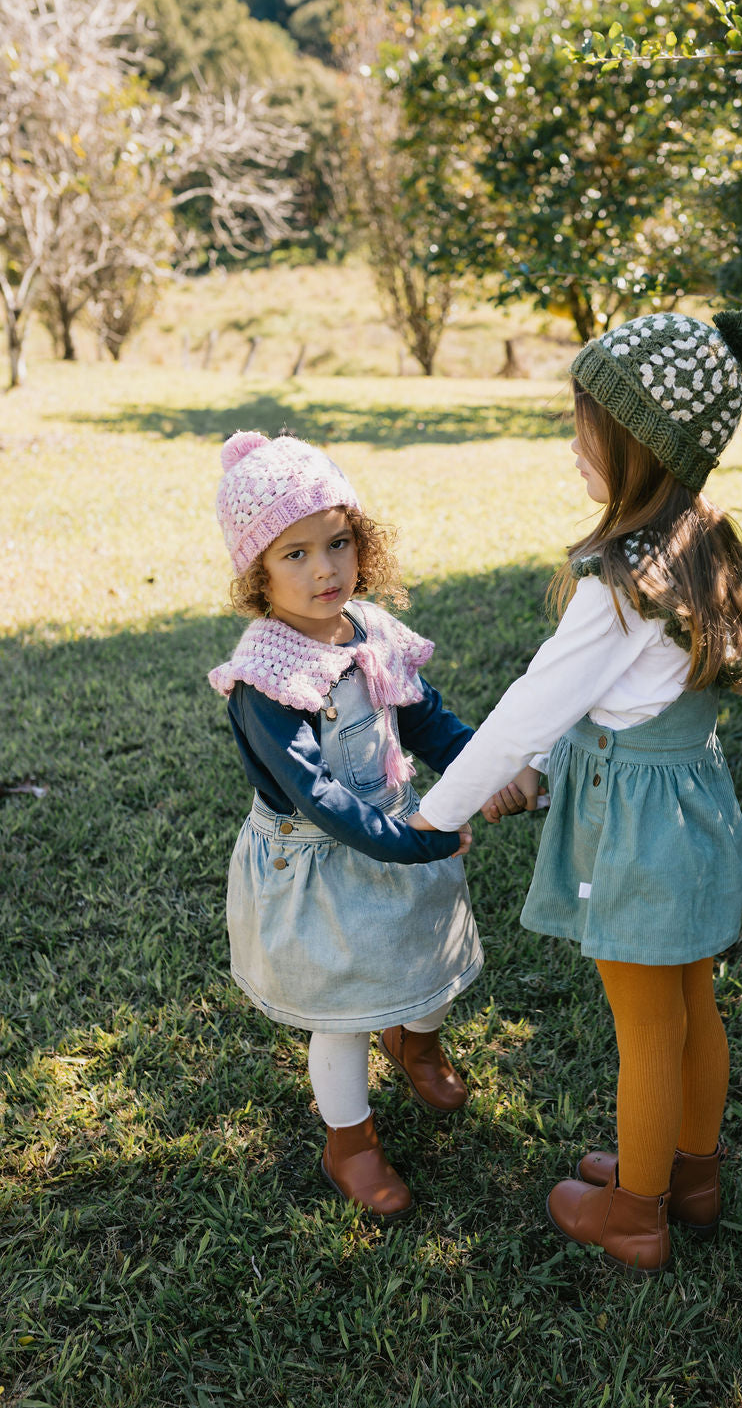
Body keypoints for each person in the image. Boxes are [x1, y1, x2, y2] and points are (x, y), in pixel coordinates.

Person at [409, 309, 742, 1273]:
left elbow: (531, 708)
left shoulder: (617, 585)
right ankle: (688, 1174)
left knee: (647, 1025)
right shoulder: (703, 546)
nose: (576, 452)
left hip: (642, 840)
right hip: (695, 815)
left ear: (643, 452)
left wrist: (434, 812)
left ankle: (635, 1210)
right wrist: (535, 777)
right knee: (693, 1003)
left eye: (589, 436)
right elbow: (617, 711)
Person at [209, 430, 482, 1221]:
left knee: (429, 968)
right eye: (293, 554)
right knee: (343, 1016)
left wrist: (485, 765)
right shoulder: (266, 679)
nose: (325, 569)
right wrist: (419, 840)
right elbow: (320, 794)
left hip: (396, 834)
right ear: (256, 572)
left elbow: (429, 721)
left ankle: (417, 1041)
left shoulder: (371, 632)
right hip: (324, 863)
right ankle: (351, 1140)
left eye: (337, 542)